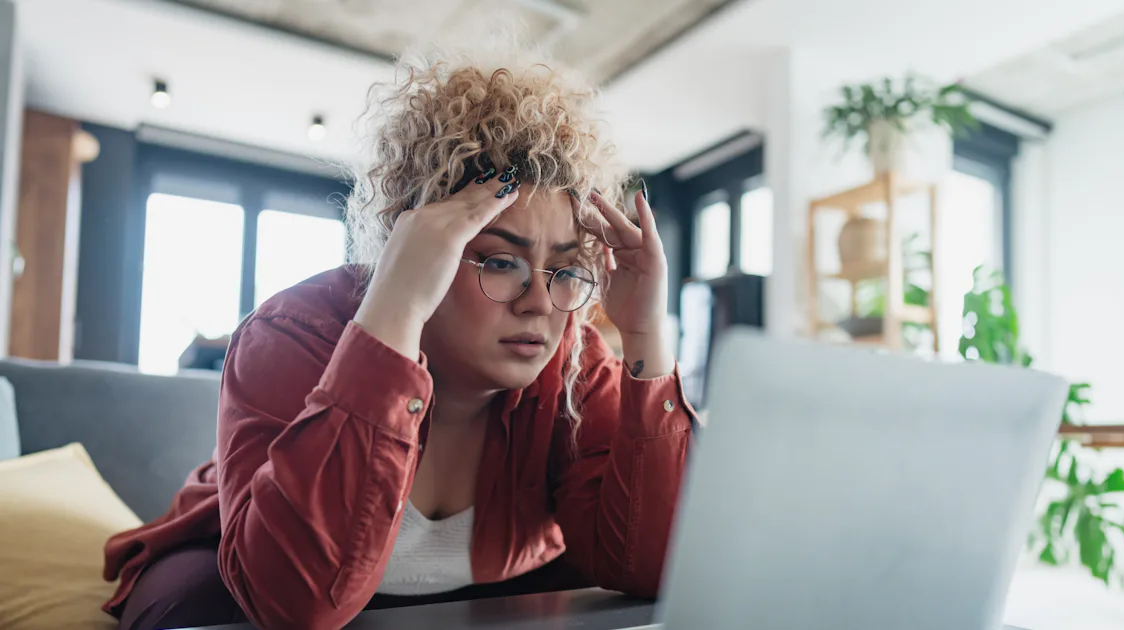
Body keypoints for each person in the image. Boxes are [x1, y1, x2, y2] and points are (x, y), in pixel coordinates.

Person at [101, 46, 696, 630]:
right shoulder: (291, 335)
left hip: (500, 588)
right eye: (499, 262)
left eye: (564, 270)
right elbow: (296, 603)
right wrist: (397, 310)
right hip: (242, 572)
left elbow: (652, 570)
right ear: (415, 246)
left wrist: (646, 336)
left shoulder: (576, 364)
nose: (540, 302)